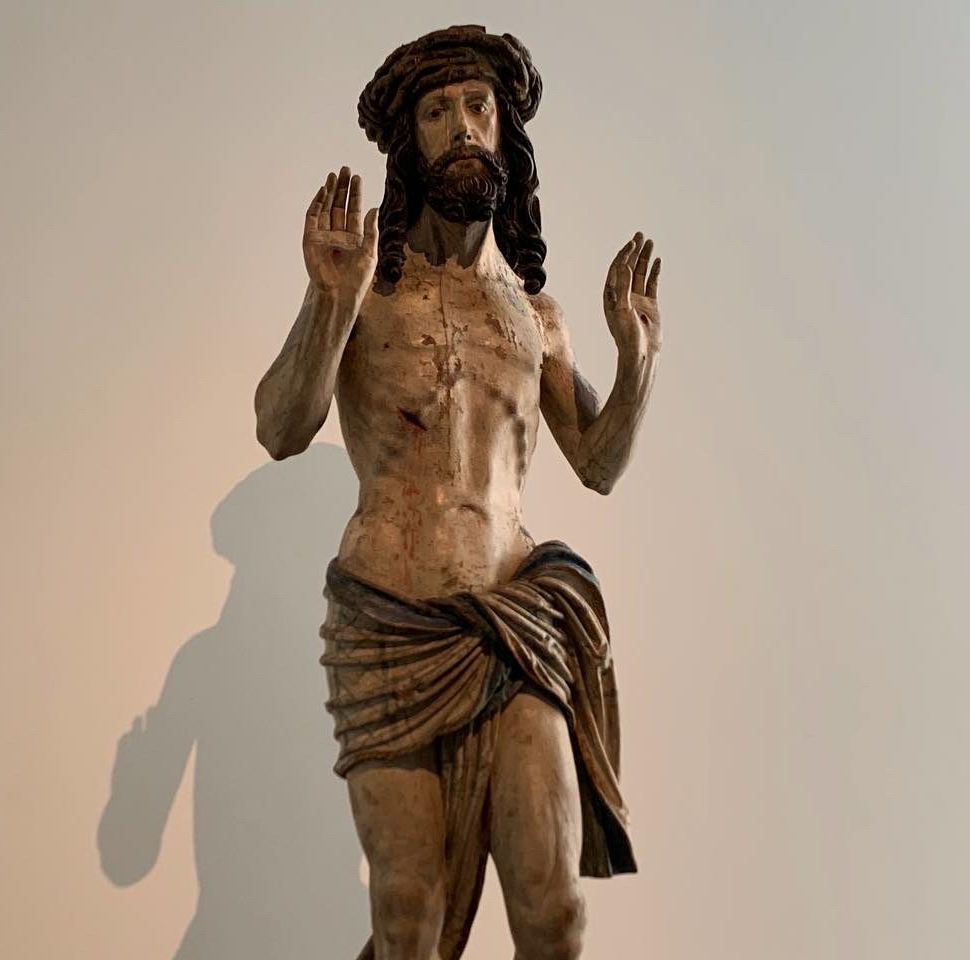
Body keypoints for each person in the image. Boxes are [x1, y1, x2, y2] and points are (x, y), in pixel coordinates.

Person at [253, 25, 663, 960]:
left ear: (506, 133)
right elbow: (280, 427)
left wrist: (637, 361)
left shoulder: (536, 317)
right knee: (411, 914)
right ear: (410, 145)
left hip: (514, 622)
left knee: (555, 912)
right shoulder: (367, 294)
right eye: (437, 113)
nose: (462, 127)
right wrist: (329, 302)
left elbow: (598, 463)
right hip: (390, 618)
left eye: (478, 107)